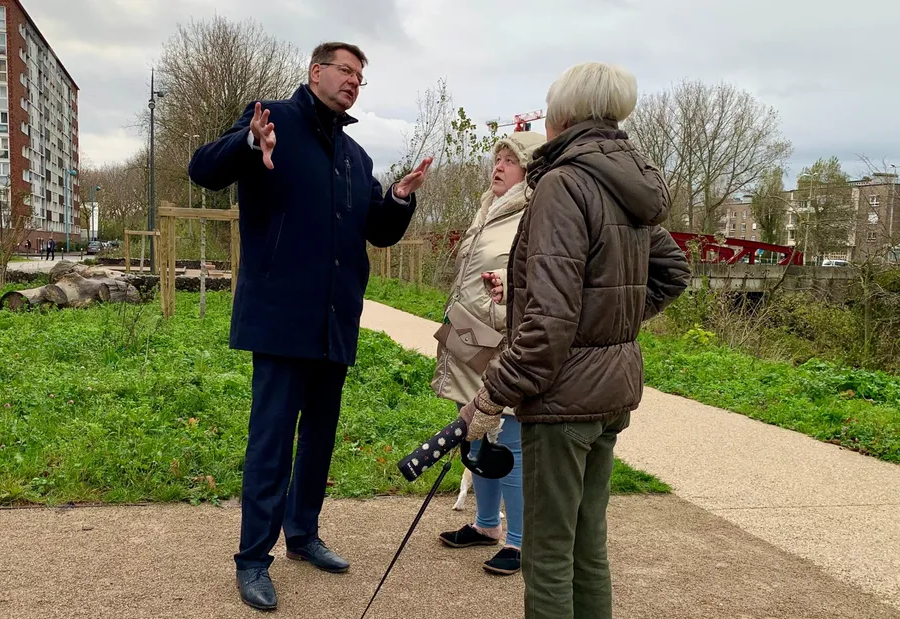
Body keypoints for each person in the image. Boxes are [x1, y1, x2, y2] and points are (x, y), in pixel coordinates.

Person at [188, 41, 431, 612]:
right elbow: (204, 169)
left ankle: (303, 534)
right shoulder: (269, 118)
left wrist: (396, 197)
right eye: (345, 70)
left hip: (335, 319)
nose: (353, 81)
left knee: (319, 437)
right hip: (279, 316)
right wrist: (250, 144)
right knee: (271, 441)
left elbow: (379, 231)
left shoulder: (356, 157)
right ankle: (253, 559)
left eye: (360, 76)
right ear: (316, 71)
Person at [455, 62, 691, 618]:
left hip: (563, 402)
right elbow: (669, 274)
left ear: (562, 117)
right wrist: (609, 327)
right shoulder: (625, 182)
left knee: (548, 553)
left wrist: (490, 396)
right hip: (610, 393)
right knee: (588, 545)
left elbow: (550, 325)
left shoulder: (565, 182)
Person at [432, 130, 546, 576]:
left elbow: (536, 269)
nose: (497, 166)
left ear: (529, 169)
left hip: (506, 344)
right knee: (476, 433)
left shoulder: (535, 211)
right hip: (473, 338)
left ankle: (519, 542)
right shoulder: (490, 209)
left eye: (509, 160)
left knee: (509, 441)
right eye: (496, 158)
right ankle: (485, 525)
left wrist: (507, 284)